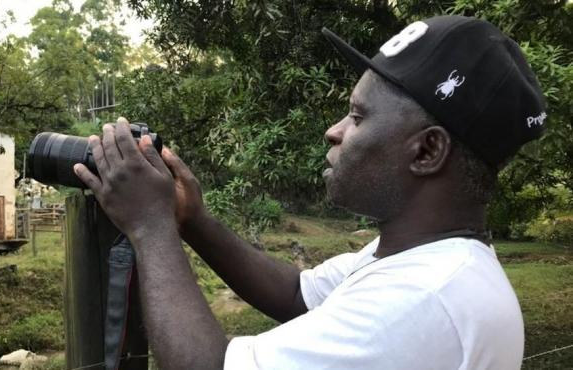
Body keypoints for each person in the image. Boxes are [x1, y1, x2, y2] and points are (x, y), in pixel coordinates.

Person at [73, 15, 546, 370]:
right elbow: (296, 293)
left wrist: (150, 226)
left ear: (427, 151)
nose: (334, 131)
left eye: (358, 118)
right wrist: (191, 219)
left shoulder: (425, 299)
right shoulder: (421, 260)